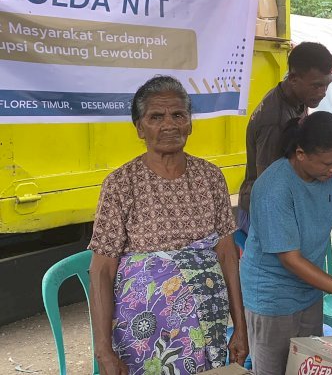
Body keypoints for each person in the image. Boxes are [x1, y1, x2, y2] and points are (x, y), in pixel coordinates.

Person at [88, 76, 248, 374]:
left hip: (207, 320)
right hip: (145, 330)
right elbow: (101, 269)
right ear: (139, 127)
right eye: (156, 117)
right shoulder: (121, 184)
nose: (169, 125)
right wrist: (103, 349)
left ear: (190, 123)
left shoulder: (211, 177)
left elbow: (227, 253)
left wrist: (240, 326)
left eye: (178, 115)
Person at [239, 112, 332, 374]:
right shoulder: (273, 188)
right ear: (300, 154)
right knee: (274, 369)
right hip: (272, 296)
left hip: (309, 289)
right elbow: (290, 259)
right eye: (327, 163)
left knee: (308, 366)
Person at [237, 42, 332, 233]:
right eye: (316, 86)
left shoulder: (298, 98)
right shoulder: (275, 121)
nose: (322, 93)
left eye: (326, 85)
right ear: (293, 79)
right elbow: (267, 186)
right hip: (263, 212)